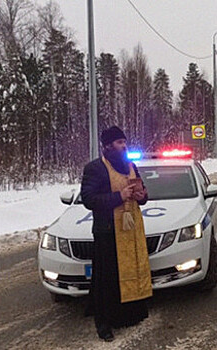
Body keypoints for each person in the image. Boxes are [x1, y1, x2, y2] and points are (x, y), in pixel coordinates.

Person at [80, 126, 152, 341]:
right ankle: (104, 324)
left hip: (131, 230)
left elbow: (143, 194)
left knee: (131, 274)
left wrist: (141, 195)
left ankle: (129, 315)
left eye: (124, 141)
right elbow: (89, 200)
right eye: (119, 142)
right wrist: (119, 196)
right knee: (107, 279)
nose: (124, 146)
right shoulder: (95, 168)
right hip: (108, 232)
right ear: (108, 145)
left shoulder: (131, 165)